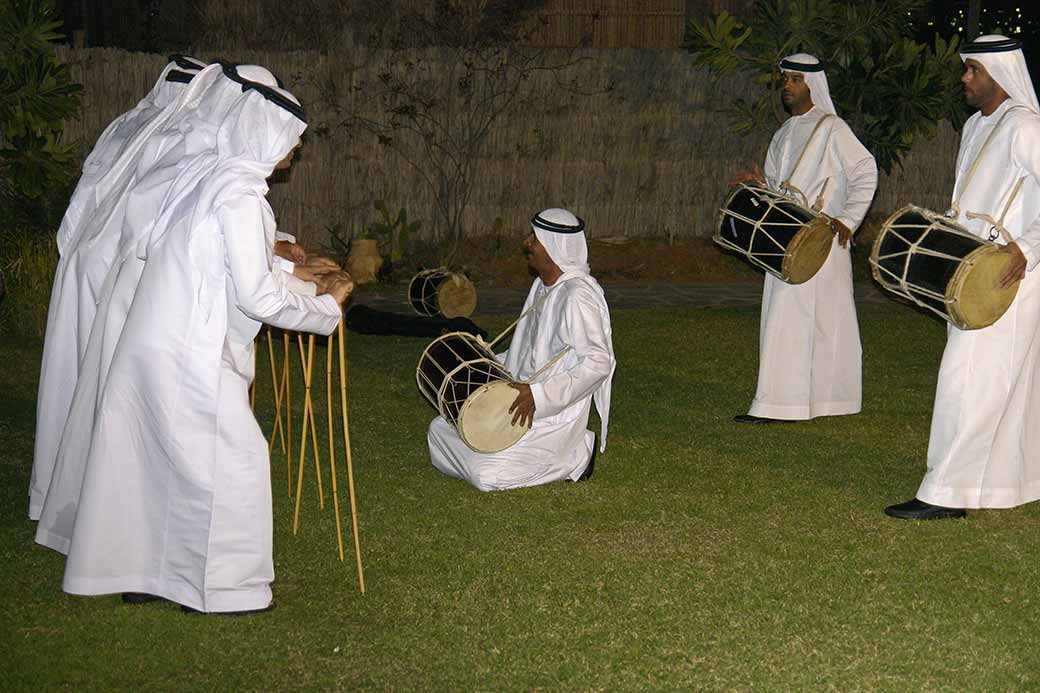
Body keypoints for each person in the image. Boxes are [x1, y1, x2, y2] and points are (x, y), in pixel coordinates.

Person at [54, 70, 353, 614]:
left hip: (152, 339)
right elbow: (257, 295)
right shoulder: (239, 196)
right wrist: (327, 308)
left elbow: (221, 267)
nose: (296, 148)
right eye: (293, 136)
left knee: (151, 459)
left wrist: (298, 279)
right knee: (232, 460)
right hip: (190, 351)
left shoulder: (207, 176)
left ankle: (141, 571)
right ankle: (224, 586)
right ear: (267, 132)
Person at [30, 56, 206, 521]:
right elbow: (169, 217)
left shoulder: (128, 122)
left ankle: (62, 487)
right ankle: (101, 503)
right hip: (115, 271)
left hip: (85, 261)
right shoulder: (177, 136)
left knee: (75, 377)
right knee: (106, 385)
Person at [886, 35, 1040, 520]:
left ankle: (945, 493)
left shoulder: (1026, 127)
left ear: (999, 72)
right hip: (969, 270)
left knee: (969, 377)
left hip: (1010, 274)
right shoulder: (976, 125)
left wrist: (1027, 248)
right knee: (987, 381)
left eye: (972, 70)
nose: (965, 79)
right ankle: (1003, 483)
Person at [732, 54, 877, 424]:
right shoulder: (782, 134)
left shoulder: (833, 128)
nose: (787, 85)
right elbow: (780, 193)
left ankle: (830, 400)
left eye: (795, 79)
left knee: (829, 323)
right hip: (786, 240)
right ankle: (778, 403)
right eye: (785, 79)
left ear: (813, 84)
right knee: (782, 318)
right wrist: (759, 186)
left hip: (822, 240)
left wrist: (848, 219)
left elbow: (865, 170)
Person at [427, 208, 615, 491]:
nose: (527, 243)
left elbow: (599, 363)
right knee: (439, 431)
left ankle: (576, 455)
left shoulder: (578, 297)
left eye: (535, 239)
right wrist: (478, 357)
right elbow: (527, 355)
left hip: (550, 416)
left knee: (485, 475)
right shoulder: (542, 286)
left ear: (554, 248)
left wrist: (538, 395)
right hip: (518, 402)